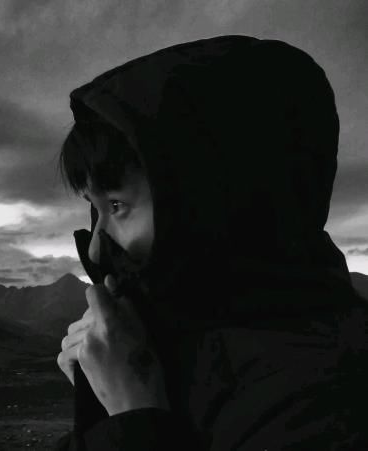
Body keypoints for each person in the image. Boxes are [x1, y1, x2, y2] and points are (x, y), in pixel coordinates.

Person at [56, 35, 368, 450]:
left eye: (117, 205)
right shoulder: (166, 348)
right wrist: (102, 403)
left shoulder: (329, 401)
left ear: (208, 203)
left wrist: (134, 416)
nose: (96, 249)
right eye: (95, 208)